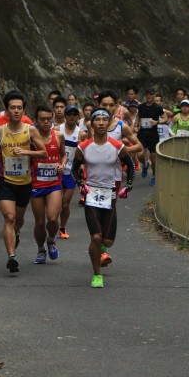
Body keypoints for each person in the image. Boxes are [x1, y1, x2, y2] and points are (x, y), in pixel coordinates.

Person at [71, 108, 135, 288]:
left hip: (109, 195)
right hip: (91, 194)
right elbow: (74, 169)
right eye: (97, 119)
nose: (100, 122)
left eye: (104, 119)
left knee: (107, 241)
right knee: (96, 237)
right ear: (91, 123)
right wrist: (80, 184)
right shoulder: (83, 147)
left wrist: (128, 186)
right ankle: (97, 274)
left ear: (108, 123)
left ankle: (101, 248)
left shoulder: (117, 146)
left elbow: (130, 165)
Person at [0, 91, 48, 273]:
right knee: (9, 217)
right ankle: (11, 256)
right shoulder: (0, 130)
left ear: (23, 110)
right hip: (5, 181)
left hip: (25, 182)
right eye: (12, 108)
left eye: (19, 108)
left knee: (18, 220)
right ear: (6, 110)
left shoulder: (30, 130)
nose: (16, 111)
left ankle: (17, 232)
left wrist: (26, 152)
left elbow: (43, 153)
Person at [30, 105, 66, 264]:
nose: (46, 122)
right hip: (36, 184)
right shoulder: (30, 138)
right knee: (39, 222)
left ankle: (51, 240)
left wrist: (62, 165)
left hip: (54, 183)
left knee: (52, 218)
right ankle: (41, 249)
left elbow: (63, 155)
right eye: (42, 119)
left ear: (52, 119)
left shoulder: (58, 136)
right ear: (36, 121)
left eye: (48, 119)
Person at [59, 104, 87, 239]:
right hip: (57, 169)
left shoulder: (81, 133)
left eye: (74, 114)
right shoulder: (57, 130)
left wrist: (82, 166)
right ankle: (52, 222)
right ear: (65, 115)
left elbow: (85, 153)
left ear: (77, 117)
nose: (72, 116)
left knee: (65, 203)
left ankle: (62, 226)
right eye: (69, 114)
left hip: (71, 171)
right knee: (56, 203)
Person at [136, 88, 164, 186]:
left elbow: (165, 118)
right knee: (139, 155)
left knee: (153, 159)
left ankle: (154, 176)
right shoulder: (141, 106)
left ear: (153, 95)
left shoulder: (157, 107)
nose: (149, 96)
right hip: (142, 133)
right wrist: (136, 125)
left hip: (153, 134)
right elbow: (138, 116)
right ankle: (145, 164)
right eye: (147, 94)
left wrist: (157, 122)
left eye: (150, 94)